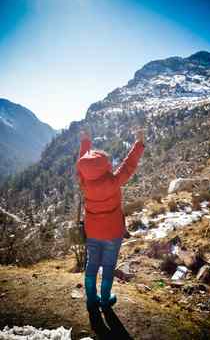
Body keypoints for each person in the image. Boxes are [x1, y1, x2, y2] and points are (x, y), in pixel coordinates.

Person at [76, 129, 144, 312]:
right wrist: (138, 143)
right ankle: (105, 301)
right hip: (113, 233)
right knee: (108, 266)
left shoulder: (84, 182)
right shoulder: (113, 181)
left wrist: (85, 142)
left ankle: (91, 300)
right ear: (105, 166)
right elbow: (128, 165)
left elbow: (82, 164)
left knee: (91, 264)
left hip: (92, 232)